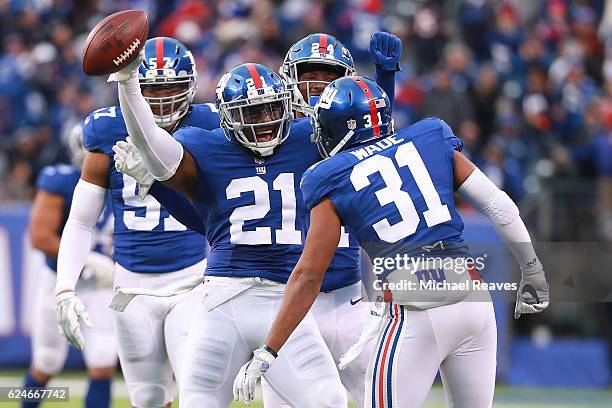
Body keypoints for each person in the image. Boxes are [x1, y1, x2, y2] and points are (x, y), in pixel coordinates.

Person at [113, 32, 402, 407]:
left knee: (336, 398)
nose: (264, 121)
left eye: (270, 109)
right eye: (251, 112)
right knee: (199, 399)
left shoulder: (309, 138)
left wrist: (386, 81)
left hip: (294, 296)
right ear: (228, 116)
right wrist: (127, 81)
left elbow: (369, 133)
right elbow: (152, 141)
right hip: (227, 294)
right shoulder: (205, 145)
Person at [234, 76, 550, 408]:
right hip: (474, 302)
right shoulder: (430, 136)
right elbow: (499, 206)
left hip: (415, 311)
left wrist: (270, 348)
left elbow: (309, 275)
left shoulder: (328, 176)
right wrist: (532, 270)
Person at [54, 37, 219, 408]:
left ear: (190, 86)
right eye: (151, 89)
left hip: (194, 281)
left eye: (171, 87)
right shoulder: (107, 129)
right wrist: (64, 287)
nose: (160, 100)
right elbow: (80, 221)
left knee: (198, 393)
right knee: (148, 399)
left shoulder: (211, 126)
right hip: (131, 286)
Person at [24, 123, 116, 408]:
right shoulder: (61, 180)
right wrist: (87, 259)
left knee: (102, 359)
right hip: (62, 281)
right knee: (46, 362)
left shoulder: (128, 180)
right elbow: (40, 237)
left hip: (102, 285)